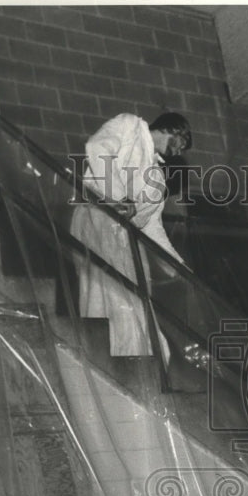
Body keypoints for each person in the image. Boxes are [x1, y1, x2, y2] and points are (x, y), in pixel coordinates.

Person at [69, 112, 192, 359]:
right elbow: (97, 146)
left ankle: (137, 358)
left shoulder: (156, 178)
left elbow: (151, 227)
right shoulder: (130, 125)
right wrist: (117, 198)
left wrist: (176, 265)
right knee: (105, 293)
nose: (179, 151)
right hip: (98, 218)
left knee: (136, 301)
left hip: (125, 238)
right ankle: (104, 354)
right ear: (174, 129)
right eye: (182, 143)